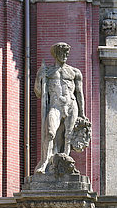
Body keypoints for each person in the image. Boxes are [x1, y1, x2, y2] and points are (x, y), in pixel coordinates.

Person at [34, 42, 88, 173]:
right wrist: (39, 78)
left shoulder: (75, 72)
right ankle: (45, 161)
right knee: (51, 132)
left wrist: (82, 113)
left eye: (66, 53)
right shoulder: (47, 72)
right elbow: (38, 92)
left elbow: (79, 93)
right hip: (56, 105)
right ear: (55, 54)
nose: (65, 55)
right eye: (62, 53)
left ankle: (65, 163)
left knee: (68, 136)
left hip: (71, 104)